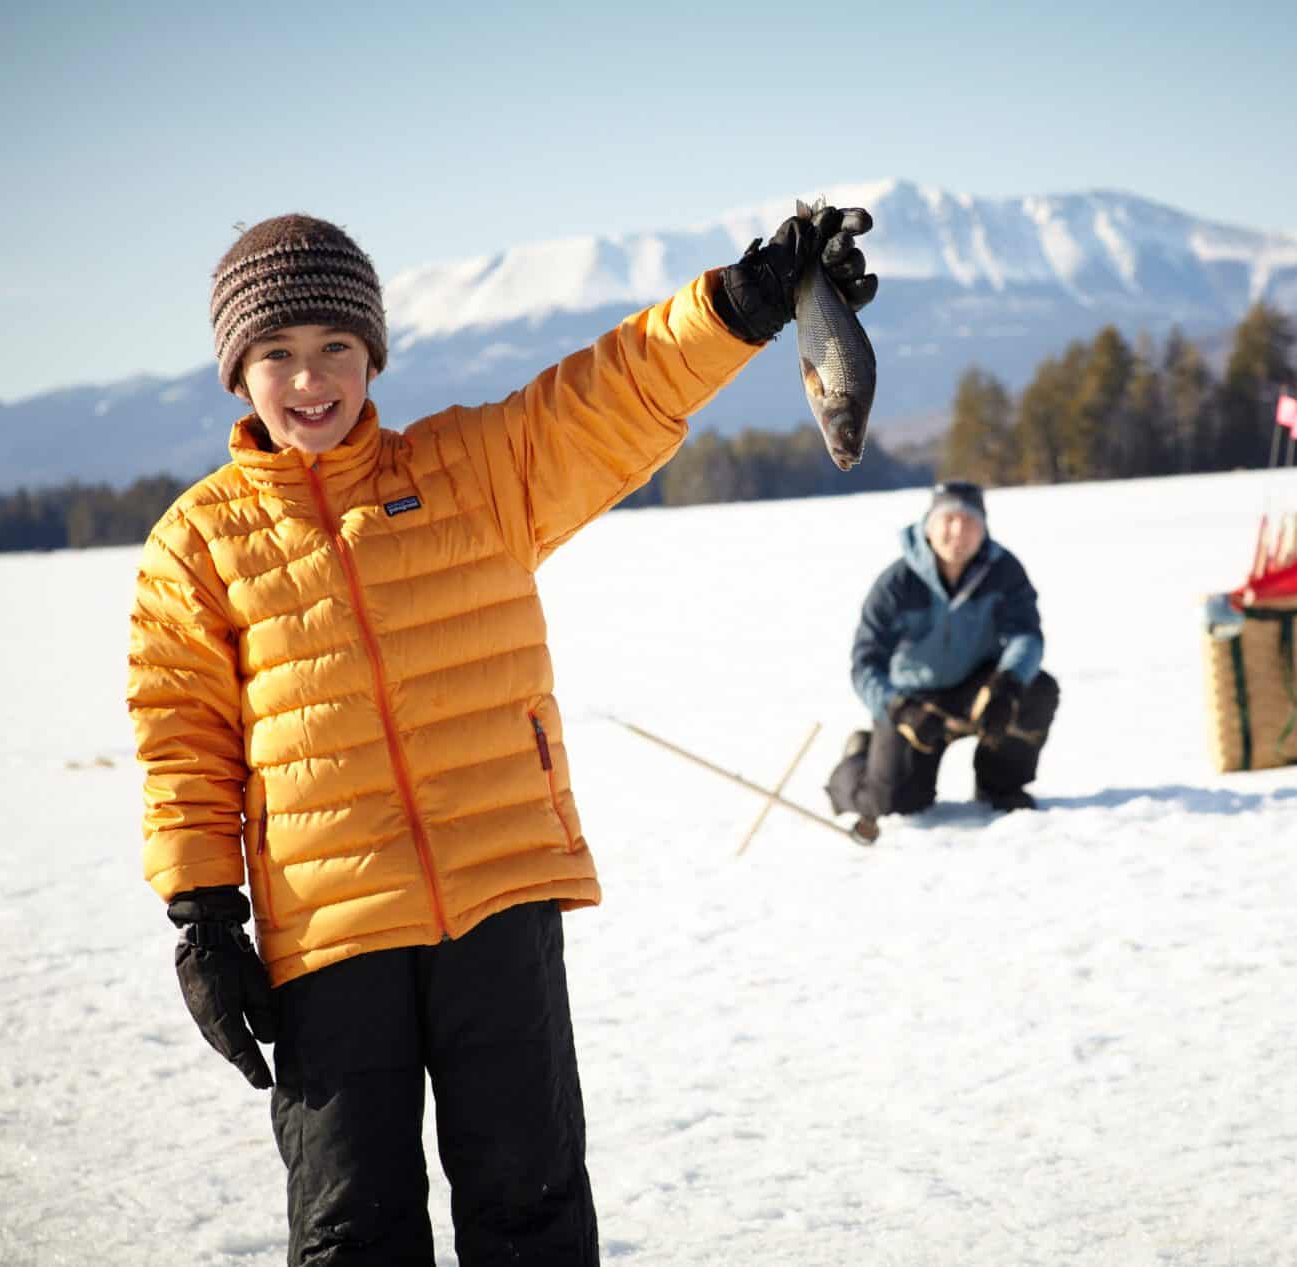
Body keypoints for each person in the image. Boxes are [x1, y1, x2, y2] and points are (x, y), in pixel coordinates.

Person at [126, 206, 875, 1266]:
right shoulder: (196, 546)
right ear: (237, 372)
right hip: (329, 933)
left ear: (372, 354)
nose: (310, 378)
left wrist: (741, 304)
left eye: (335, 345)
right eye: (278, 353)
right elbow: (183, 741)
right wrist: (204, 916)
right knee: (352, 1229)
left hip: (499, 902)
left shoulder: (471, 470)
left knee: (532, 1208)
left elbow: (616, 394)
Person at [826, 480, 1058, 841]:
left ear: (984, 528)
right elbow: (865, 664)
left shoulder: (1004, 571)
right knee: (892, 802)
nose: (958, 531)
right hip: (914, 702)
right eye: (948, 519)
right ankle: (858, 759)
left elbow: (1026, 636)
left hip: (976, 689)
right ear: (928, 526)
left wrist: (1007, 685)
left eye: (969, 522)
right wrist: (899, 709)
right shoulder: (896, 584)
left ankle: (998, 786)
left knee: (1037, 690)